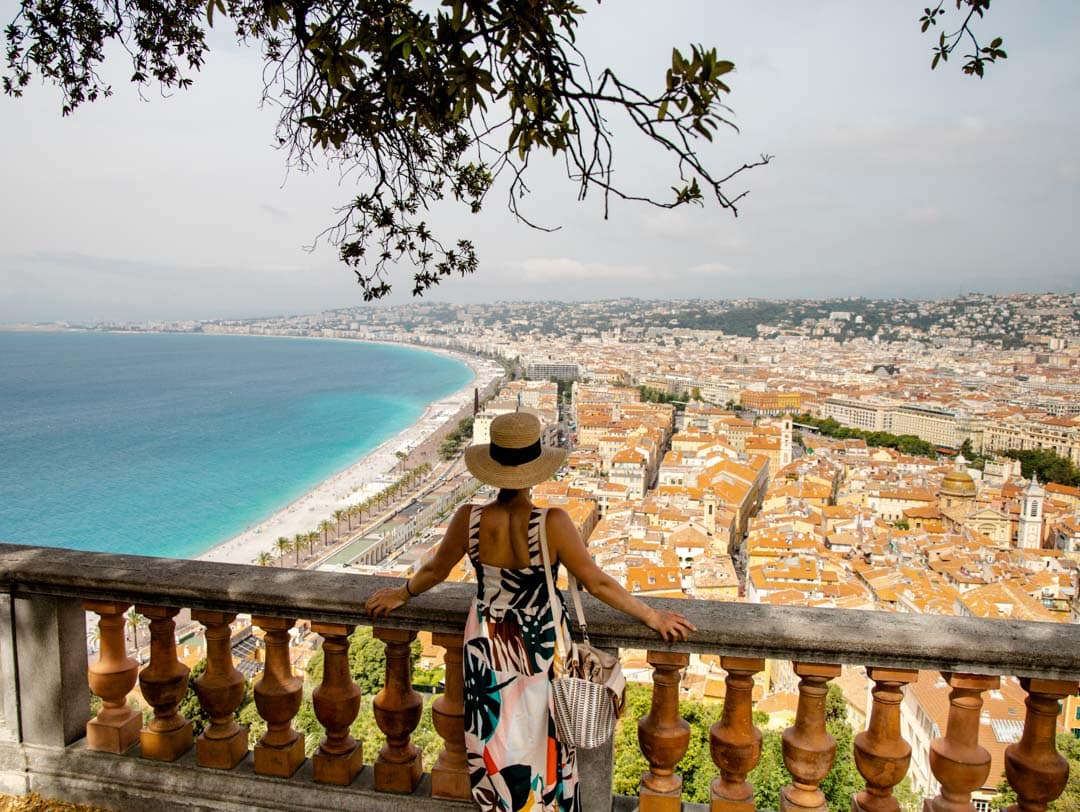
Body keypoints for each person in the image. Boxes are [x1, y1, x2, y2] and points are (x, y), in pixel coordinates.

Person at [366, 411, 694, 812]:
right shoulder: (551, 523)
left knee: (497, 736)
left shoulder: (470, 519)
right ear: (535, 470)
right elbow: (596, 581)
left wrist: (402, 593)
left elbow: (435, 568)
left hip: (486, 640)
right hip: (541, 642)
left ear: (494, 468)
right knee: (546, 733)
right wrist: (652, 616)